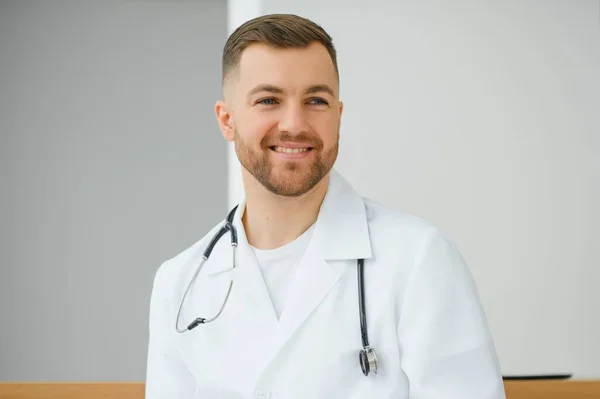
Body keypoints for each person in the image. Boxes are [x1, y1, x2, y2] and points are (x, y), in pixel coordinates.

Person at [145, 13, 506, 399]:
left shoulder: (419, 258)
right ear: (227, 120)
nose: (294, 123)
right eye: (268, 100)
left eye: (316, 100)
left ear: (338, 116)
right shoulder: (180, 284)